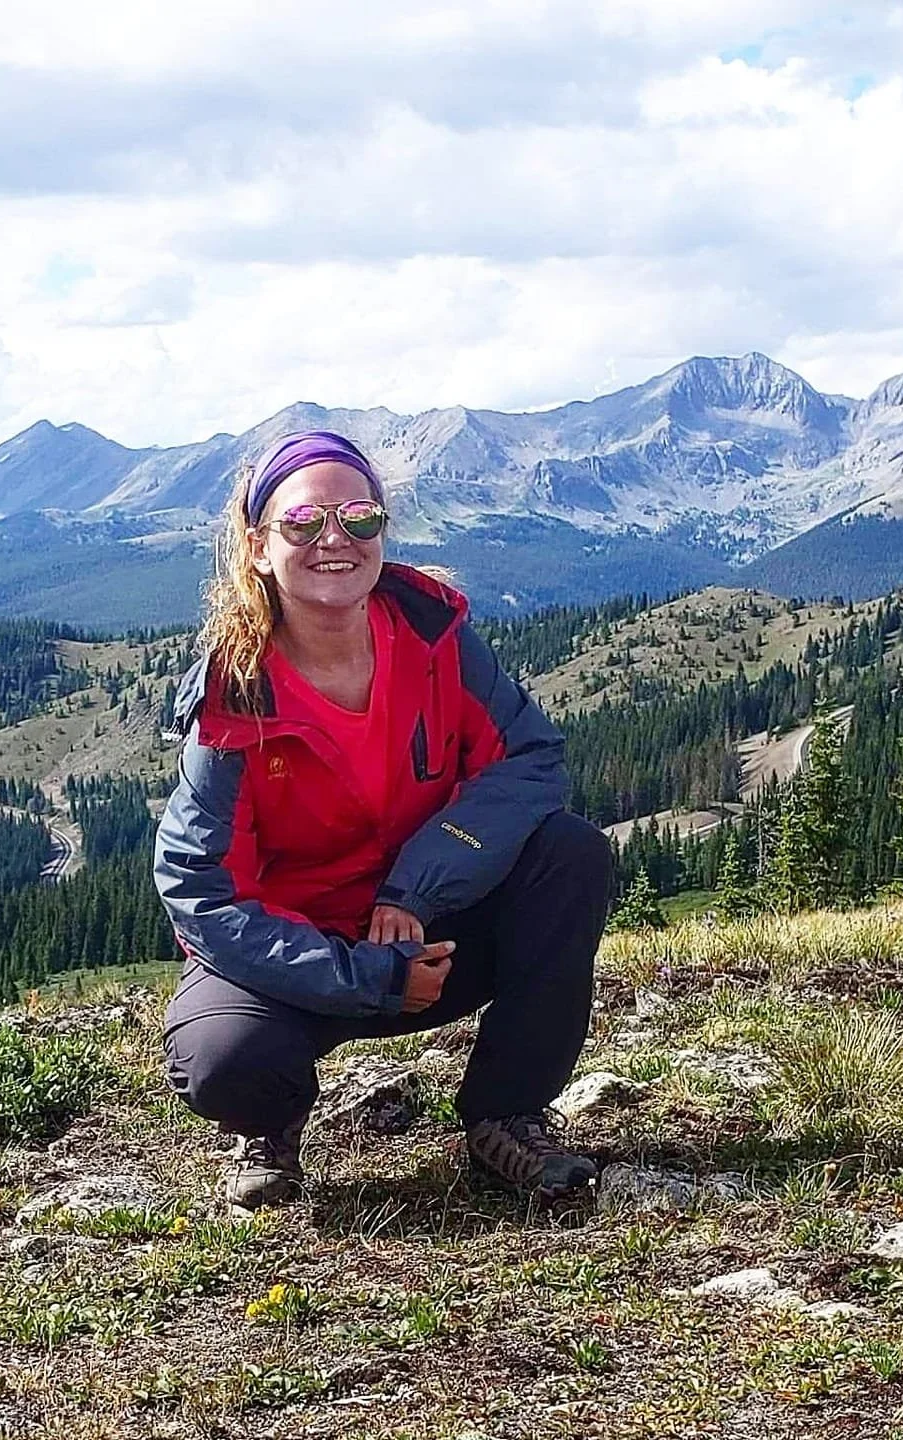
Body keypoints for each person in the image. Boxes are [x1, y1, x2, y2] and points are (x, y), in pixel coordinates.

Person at [153, 430, 613, 1209]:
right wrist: (361, 975)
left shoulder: (436, 640)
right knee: (225, 1058)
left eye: (360, 518)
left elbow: (530, 761)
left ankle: (506, 1115)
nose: (336, 540)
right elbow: (199, 889)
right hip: (295, 964)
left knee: (571, 855)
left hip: (430, 932)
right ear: (259, 547)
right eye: (304, 524)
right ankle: (268, 1127)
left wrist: (416, 889)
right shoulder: (236, 701)